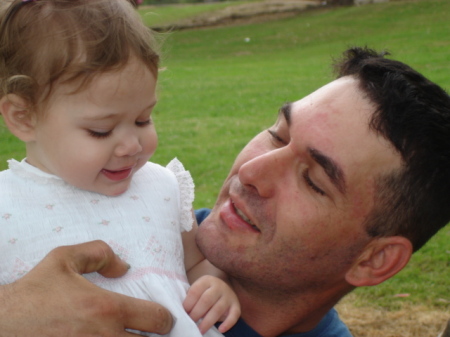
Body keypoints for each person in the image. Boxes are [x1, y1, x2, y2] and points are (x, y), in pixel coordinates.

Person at [1, 45, 450, 335]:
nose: (252, 170)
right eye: (277, 134)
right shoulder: (149, 226)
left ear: (375, 260)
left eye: (313, 180)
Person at [0, 0, 240, 336]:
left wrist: (214, 284)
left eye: (143, 119)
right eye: (101, 130)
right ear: (23, 117)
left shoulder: (161, 186)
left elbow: (195, 264)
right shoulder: (5, 203)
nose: (132, 146)